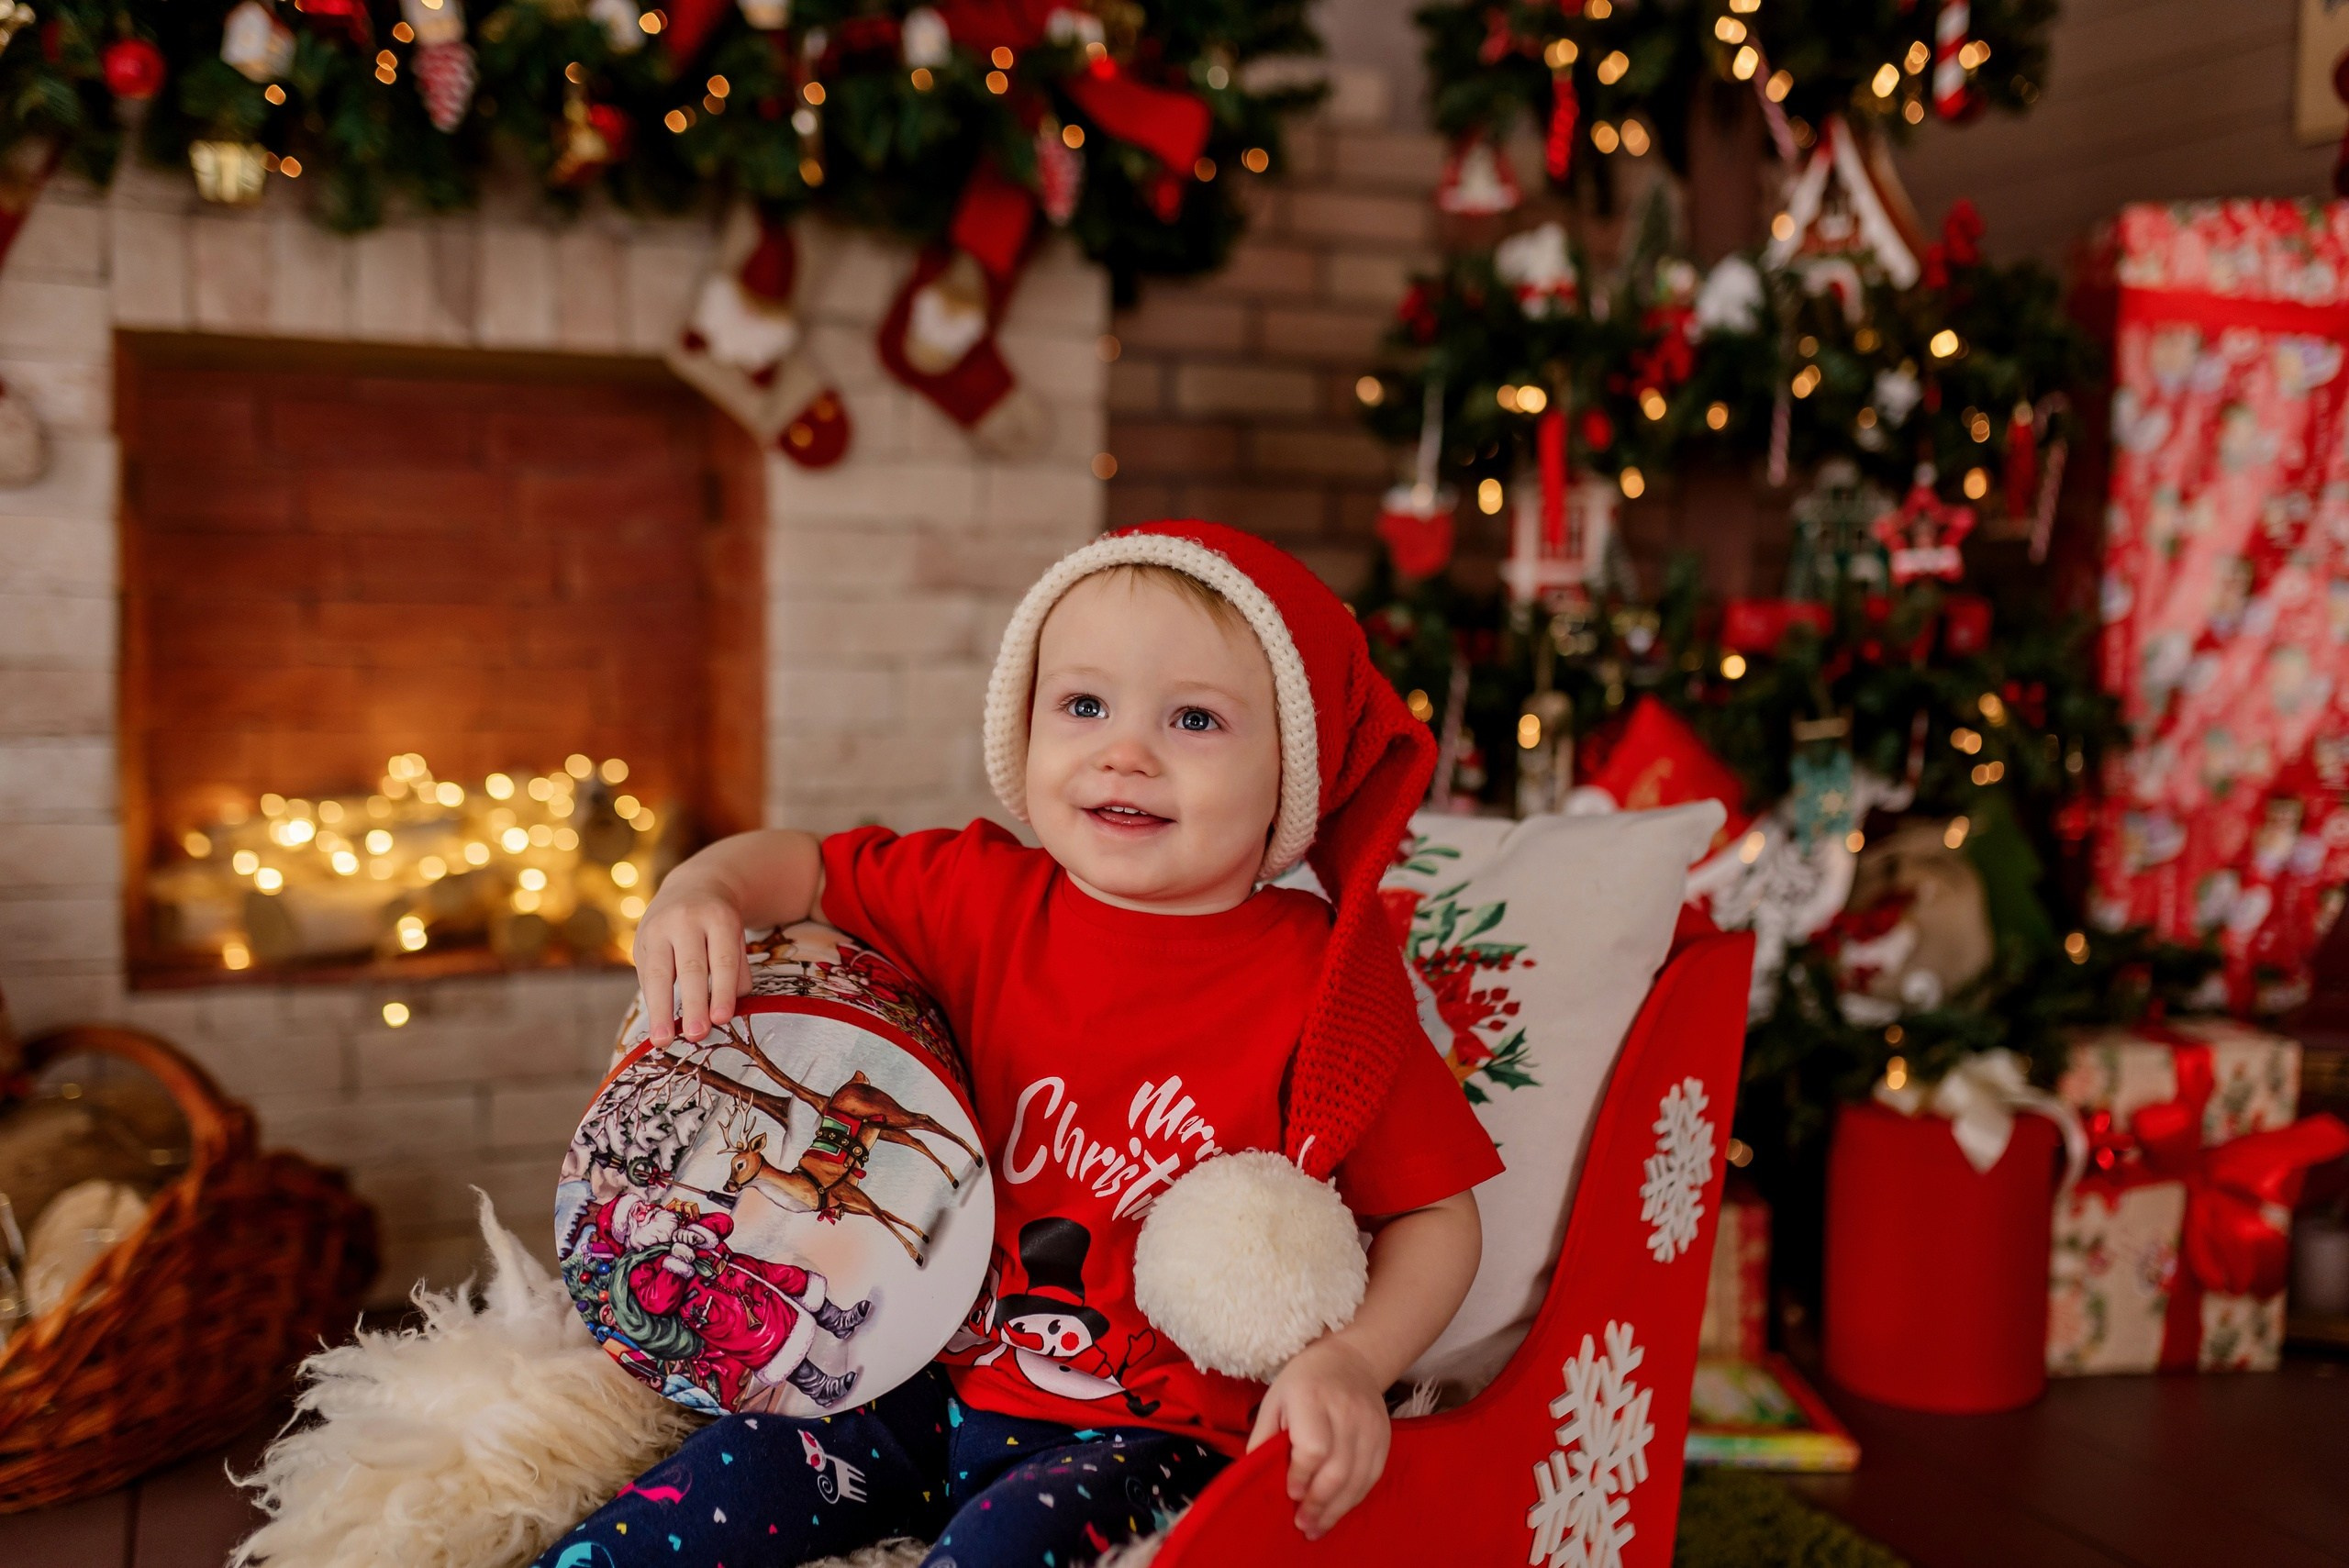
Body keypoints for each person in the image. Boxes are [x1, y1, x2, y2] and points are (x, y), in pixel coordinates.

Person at [542, 522, 1500, 1568]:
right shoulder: (978, 893)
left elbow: (1434, 1212)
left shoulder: (1324, 983)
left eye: (1194, 718)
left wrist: (1355, 1361)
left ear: (1292, 773)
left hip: (1151, 1433)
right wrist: (701, 890)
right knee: (667, 1519)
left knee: (998, 1553)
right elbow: (804, 865)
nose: (1124, 751)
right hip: (903, 1381)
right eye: (1083, 705)